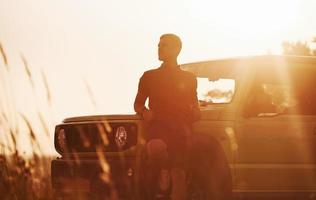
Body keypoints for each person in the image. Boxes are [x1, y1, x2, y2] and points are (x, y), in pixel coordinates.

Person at [134, 33, 201, 200]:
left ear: (176, 49)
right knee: (155, 147)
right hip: (159, 124)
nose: (159, 48)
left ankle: (171, 175)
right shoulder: (149, 76)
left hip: (182, 127)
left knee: (179, 176)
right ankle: (164, 168)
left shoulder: (189, 78)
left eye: (164, 45)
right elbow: (138, 103)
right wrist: (144, 112)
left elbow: (194, 104)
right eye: (158, 45)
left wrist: (196, 112)